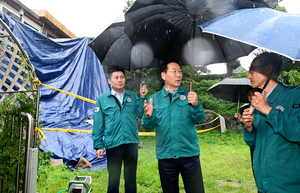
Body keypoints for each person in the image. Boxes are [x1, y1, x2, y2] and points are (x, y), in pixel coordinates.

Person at [142, 59, 206, 193]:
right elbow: (148, 127)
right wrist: (148, 117)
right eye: (174, 71)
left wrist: (196, 105)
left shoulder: (189, 95)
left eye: (180, 71)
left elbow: (200, 119)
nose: (179, 75)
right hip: (166, 157)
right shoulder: (154, 98)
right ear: (163, 75)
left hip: (189, 154)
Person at [242, 52, 300, 193]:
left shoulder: (295, 95)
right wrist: (249, 128)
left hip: (287, 186)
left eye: (252, 71)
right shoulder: (258, 102)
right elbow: (254, 143)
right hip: (262, 183)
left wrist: (268, 110)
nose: (248, 76)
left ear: (268, 69)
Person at [92, 65, 148, 193]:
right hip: (113, 144)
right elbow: (98, 124)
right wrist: (98, 145)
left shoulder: (132, 96)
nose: (120, 80)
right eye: (116, 77)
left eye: (122, 77)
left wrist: (143, 96)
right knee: (113, 181)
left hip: (131, 143)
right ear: (109, 81)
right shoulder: (102, 99)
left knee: (131, 180)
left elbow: (140, 113)